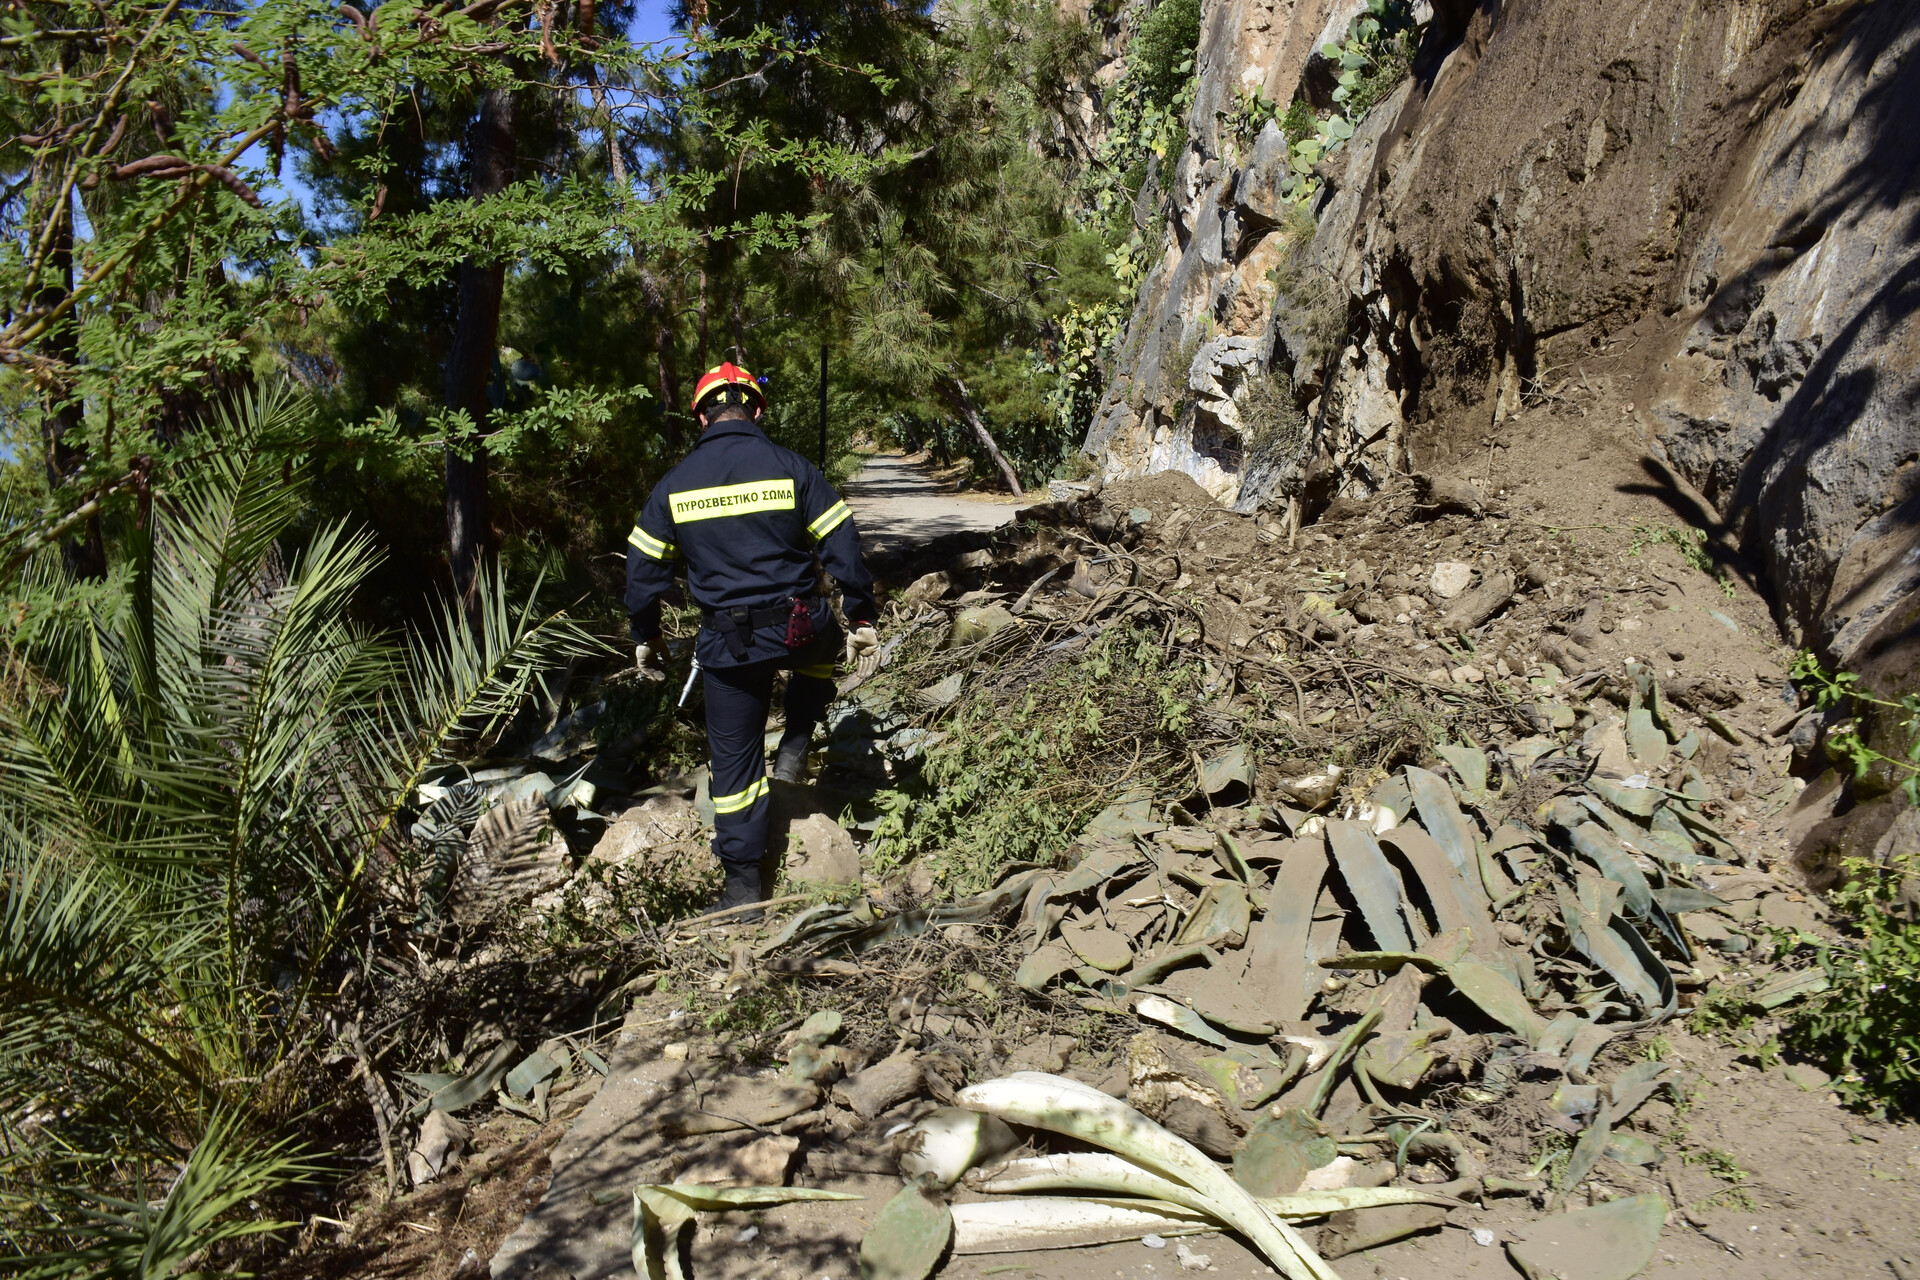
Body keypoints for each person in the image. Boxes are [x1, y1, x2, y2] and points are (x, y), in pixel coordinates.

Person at [625, 361, 881, 911]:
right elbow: (843, 543)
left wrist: (644, 633)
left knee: (735, 764)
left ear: (701, 416)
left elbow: (642, 571)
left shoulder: (674, 485)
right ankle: (794, 743)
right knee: (823, 648)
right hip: (800, 628)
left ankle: (743, 887)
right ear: (756, 409)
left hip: (729, 646)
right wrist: (859, 618)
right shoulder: (793, 468)